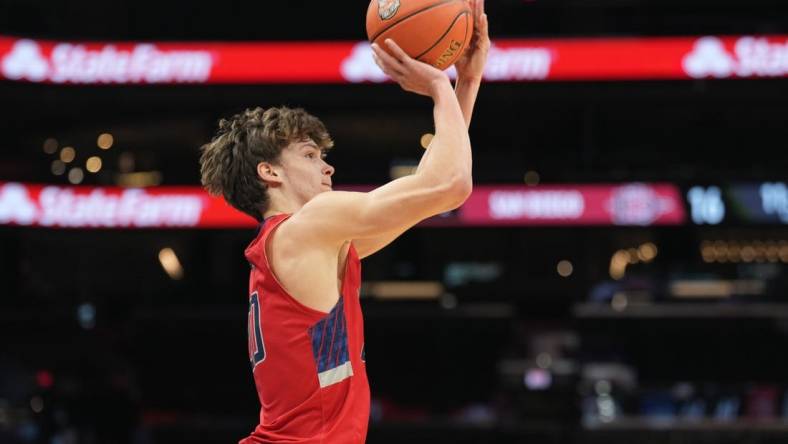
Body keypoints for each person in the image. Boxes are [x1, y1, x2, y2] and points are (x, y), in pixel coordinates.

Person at [199, 1, 489, 442]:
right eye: (311, 156)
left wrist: (465, 82)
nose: (327, 168)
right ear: (269, 172)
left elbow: (432, 194)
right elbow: (451, 185)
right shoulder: (308, 225)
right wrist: (437, 85)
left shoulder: (313, 243)